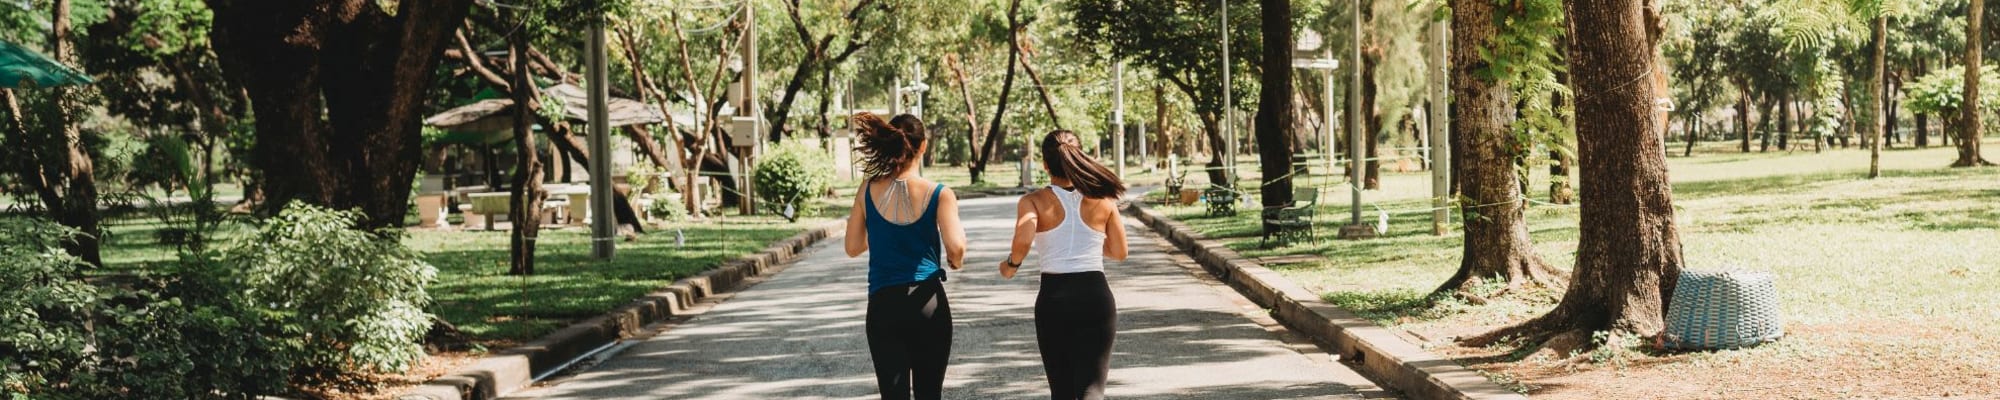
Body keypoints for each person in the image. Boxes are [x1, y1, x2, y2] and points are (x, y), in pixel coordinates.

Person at [998, 130, 1129, 400]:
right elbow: (1119, 252)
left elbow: (1023, 241)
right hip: (1095, 296)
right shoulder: (1104, 200)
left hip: (1054, 299)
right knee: (1092, 389)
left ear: (1045, 165)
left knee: (1062, 390)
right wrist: (1091, 243)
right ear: (1079, 157)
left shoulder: (1032, 201)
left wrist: (1010, 265)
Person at [844, 113, 967, 400]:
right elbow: (957, 247)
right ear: (922, 146)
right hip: (927, 303)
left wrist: (881, 233)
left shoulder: (867, 190)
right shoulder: (939, 193)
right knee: (929, 394)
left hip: (884, 306)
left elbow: (852, 246)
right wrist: (956, 260)